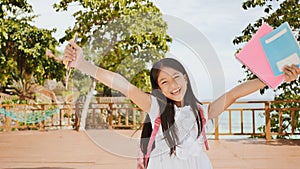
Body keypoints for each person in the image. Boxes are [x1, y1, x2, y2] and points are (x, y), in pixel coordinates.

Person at [63, 40, 300, 169]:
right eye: (164, 82)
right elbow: (122, 84)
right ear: (158, 88)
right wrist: (84, 65)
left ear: (185, 77)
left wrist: (277, 77)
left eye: (176, 77)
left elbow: (236, 93)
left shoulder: (202, 112)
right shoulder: (155, 108)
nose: (173, 85)